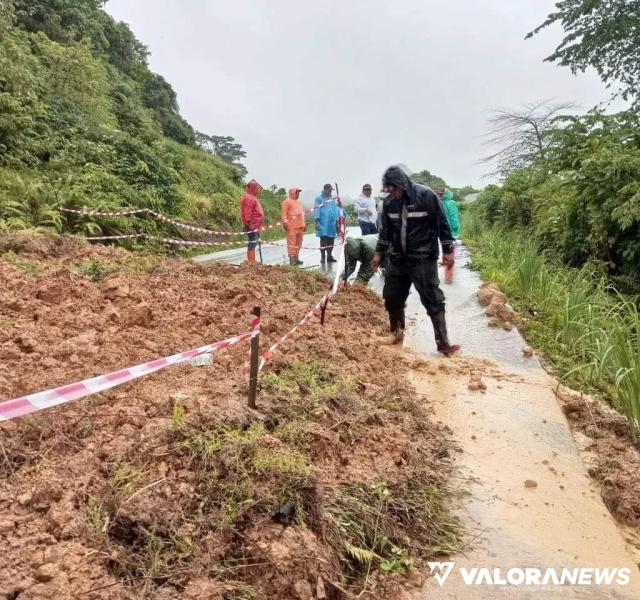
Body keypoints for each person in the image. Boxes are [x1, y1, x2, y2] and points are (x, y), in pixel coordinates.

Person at [373, 165, 460, 356]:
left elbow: (442, 224)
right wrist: (379, 253)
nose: (392, 193)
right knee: (392, 297)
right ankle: (396, 332)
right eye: (388, 190)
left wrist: (448, 250)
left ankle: (443, 343)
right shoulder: (389, 203)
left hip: (422, 258)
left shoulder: (426, 196)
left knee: (433, 300)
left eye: (394, 189)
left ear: (402, 184)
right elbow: (385, 231)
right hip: (397, 259)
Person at [314, 183, 341, 264]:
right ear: (325, 189)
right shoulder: (319, 198)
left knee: (331, 239)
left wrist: (337, 222)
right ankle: (323, 257)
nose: (330, 192)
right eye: (329, 190)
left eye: (331, 190)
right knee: (323, 240)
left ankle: (329, 256)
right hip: (323, 222)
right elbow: (316, 209)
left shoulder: (332, 198)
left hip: (331, 223)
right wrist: (317, 221)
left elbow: (335, 210)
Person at [240, 179, 264, 263]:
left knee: (254, 242)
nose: (258, 190)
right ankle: (251, 262)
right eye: (256, 188)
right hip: (252, 225)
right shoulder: (249, 198)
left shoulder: (252, 197)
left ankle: (252, 261)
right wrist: (250, 223)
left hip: (255, 225)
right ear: (253, 188)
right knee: (252, 243)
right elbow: (247, 212)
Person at [281, 187, 305, 266]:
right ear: (292, 193)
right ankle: (291, 260)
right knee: (292, 243)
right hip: (291, 226)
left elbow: (302, 214)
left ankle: (296, 258)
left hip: (300, 225)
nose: (298, 194)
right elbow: (283, 214)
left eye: (299, 192)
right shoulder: (286, 202)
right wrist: (285, 223)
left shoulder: (299, 202)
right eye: (297, 192)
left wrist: (304, 224)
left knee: (299, 242)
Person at [441, 188, 461, 284]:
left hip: (443, 233)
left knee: (446, 254)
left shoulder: (441, 203)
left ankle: (447, 276)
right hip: (451, 233)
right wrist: (455, 229)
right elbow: (454, 218)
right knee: (451, 255)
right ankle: (449, 279)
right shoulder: (451, 203)